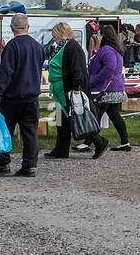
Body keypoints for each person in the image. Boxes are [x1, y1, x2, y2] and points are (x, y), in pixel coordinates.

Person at [0, 13, 44, 177]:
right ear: (28, 27)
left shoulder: (12, 46)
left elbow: (6, 72)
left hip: (12, 97)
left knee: (5, 131)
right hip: (32, 96)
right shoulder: (38, 46)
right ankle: (29, 165)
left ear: (11, 28)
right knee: (30, 132)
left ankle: (3, 163)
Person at [46, 22, 108, 160]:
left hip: (69, 90)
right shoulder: (63, 47)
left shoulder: (72, 47)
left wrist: (76, 88)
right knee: (62, 121)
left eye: (55, 34)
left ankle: (100, 142)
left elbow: (77, 69)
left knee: (77, 118)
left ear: (62, 33)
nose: (53, 37)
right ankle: (60, 150)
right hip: (60, 90)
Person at [88, 24, 131, 151]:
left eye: (99, 34)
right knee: (114, 115)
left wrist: (94, 80)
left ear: (104, 36)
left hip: (107, 90)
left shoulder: (107, 50)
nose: (98, 37)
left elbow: (109, 67)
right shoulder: (116, 49)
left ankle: (90, 142)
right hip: (115, 88)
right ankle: (125, 141)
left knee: (96, 115)